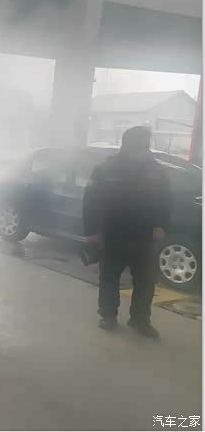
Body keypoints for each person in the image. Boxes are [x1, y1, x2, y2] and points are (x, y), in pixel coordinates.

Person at [83, 125, 170, 338]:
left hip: (144, 235)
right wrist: (92, 231)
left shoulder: (156, 171)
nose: (146, 149)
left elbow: (166, 200)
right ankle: (108, 316)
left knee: (145, 280)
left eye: (147, 145)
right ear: (128, 145)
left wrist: (161, 225)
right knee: (109, 277)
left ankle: (140, 320)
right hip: (113, 233)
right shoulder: (106, 169)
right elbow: (91, 200)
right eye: (142, 144)